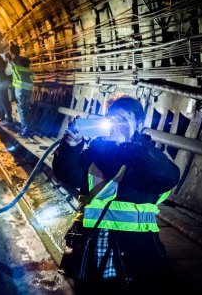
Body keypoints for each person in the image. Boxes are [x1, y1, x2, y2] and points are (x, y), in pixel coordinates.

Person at [52, 95, 180, 295]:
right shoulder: (94, 154)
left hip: (134, 255)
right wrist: (71, 145)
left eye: (123, 119)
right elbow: (68, 174)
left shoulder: (148, 156)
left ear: (137, 124)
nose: (116, 124)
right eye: (112, 118)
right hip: (90, 249)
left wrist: (133, 143)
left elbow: (167, 177)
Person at [5, 41, 33, 137]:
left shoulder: (12, 62)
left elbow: (7, 73)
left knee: (21, 109)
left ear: (11, 52)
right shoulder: (26, 60)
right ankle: (29, 128)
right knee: (27, 108)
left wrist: (8, 61)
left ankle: (25, 130)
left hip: (20, 88)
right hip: (29, 87)